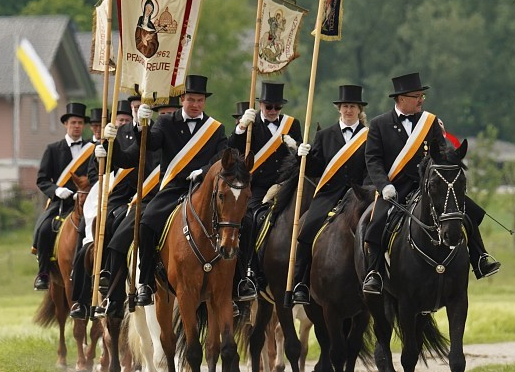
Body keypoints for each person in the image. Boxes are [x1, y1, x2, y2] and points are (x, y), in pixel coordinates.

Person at [361, 72, 500, 295]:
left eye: (422, 96)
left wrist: (450, 156)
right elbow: (373, 159)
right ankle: (375, 273)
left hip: (431, 186)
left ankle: (480, 258)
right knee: (376, 222)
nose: (421, 100)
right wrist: (383, 184)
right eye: (417, 96)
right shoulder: (379, 124)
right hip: (395, 187)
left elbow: (443, 152)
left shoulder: (430, 121)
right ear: (401, 99)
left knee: (467, 212)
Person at [104, 75, 229, 309]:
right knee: (146, 223)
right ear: (182, 99)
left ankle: (238, 282)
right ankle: (147, 281)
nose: (195, 105)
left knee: (232, 225)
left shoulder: (215, 128)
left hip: (204, 188)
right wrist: (143, 126)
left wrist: (202, 171)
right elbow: (150, 144)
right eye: (191, 99)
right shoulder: (166, 122)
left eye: (200, 100)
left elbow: (221, 156)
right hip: (173, 188)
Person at [92, 95, 178, 317]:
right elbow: (126, 159)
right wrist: (108, 145)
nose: (167, 117)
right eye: (163, 114)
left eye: (171, 113)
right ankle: (115, 298)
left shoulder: (191, 137)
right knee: (118, 241)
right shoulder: (150, 139)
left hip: (182, 194)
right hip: (150, 200)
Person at [290, 84, 370, 305]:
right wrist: (302, 157)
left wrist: (366, 190)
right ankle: (300, 283)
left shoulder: (369, 137)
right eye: (345, 106)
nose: (348, 110)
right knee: (306, 231)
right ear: (339, 109)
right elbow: (315, 170)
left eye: (352, 106)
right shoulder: (325, 135)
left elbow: (371, 167)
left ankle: (375, 278)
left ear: (359, 110)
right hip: (329, 194)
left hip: (359, 195)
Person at [229, 81, 302, 301]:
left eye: (277, 107)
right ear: (261, 105)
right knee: (251, 221)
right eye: (268, 106)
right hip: (257, 187)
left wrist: (298, 149)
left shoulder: (292, 124)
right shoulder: (251, 125)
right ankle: (249, 273)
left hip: (285, 184)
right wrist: (241, 128)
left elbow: (300, 159)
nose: (272, 111)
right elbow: (231, 149)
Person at [68, 97, 138, 320]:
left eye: (129, 115)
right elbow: (91, 176)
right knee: (86, 229)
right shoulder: (108, 139)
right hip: (108, 192)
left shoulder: (149, 133)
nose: (125, 120)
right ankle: (81, 297)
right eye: (122, 118)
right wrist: (102, 161)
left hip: (138, 193)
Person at [32, 102, 98, 291]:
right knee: (44, 229)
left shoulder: (91, 149)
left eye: (80, 123)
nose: (77, 126)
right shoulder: (53, 149)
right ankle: (43, 273)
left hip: (85, 201)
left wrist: (86, 191)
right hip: (61, 202)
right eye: (73, 122)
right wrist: (56, 190)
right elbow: (42, 179)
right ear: (66, 125)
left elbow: (96, 176)